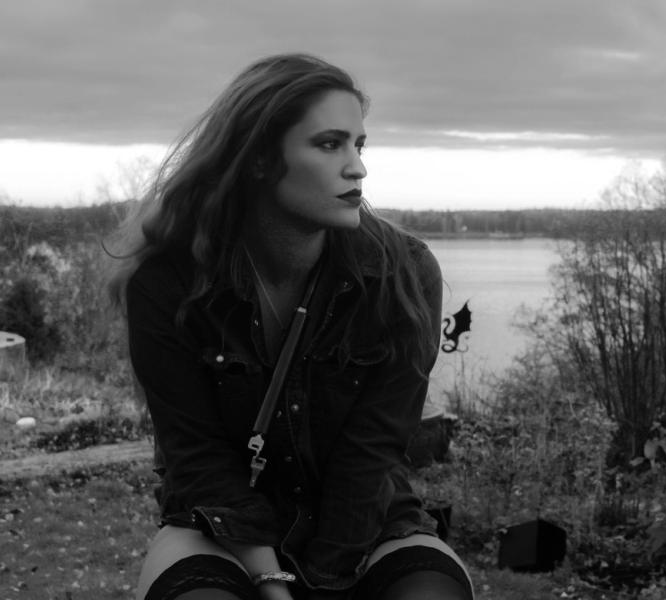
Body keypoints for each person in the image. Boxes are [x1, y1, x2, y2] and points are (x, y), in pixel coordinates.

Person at [108, 53, 474, 600]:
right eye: (329, 144)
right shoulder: (169, 284)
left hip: (365, 522)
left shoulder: (402, 274)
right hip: (218, 527)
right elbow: (197, 457)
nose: (358, 168)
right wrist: (270, 579)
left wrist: (324, 581)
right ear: (258, 158)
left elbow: (372, 453)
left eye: (359, 144)